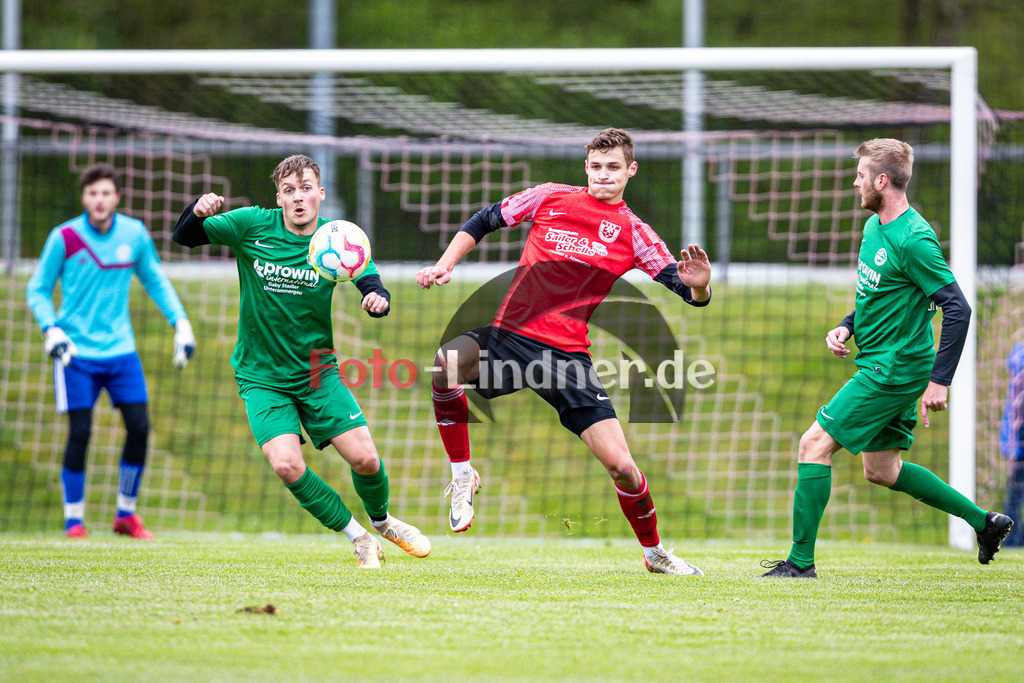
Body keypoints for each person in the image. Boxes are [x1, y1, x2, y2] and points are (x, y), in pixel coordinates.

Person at [417, 128, 711, 575]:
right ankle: (462, 475)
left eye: (613, 167)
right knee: (445, 365)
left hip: (567, 359)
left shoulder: (635, 233)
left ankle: (655, 553)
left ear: (631, 170)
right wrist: (445, 264)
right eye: (596, 166)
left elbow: (686, 290)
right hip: (510, 338)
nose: (603, 175)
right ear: (586, 167)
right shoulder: (550, 197)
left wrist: (701, 286)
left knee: (623, 468)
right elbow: (485, 219)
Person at [761, 138, 1014, 578]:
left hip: (892, 369)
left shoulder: (914, 240)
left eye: (860, 175)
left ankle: (800, 564)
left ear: (882, 180)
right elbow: (878, 296)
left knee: (813, 444)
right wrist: (848, 325)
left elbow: (958, 308)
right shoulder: (874, 227)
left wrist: (940, 381)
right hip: (884, 361)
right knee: (882, 469)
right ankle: (984, 522)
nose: (854, 182)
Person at [171, 154, 429, 568]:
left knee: (366, 459)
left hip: (316, 371)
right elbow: (184, 236)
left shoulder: (335, 238)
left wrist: (376, 298)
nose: (298, 197)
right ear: (279, 198)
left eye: (306, 188)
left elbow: (369, 279)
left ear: (320, 194)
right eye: (289, 190)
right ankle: (359, 538)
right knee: (287, 466)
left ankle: (383, 522)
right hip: (261, 376)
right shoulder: (252, 224)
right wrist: (197, 211)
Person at [26, 165, 196, 540]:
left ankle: (126, 515)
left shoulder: (134, 234)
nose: (99, 200)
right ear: (84, 198)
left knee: (139, 428)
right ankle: (74, 522)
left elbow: (155, 280)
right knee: (80, 432)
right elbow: (37, 289)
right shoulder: (64, 237)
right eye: (92, 193)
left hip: (121, 351)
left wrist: (180, 322)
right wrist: (51, 329)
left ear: (117, 197)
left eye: (105, 193)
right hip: (75, 353)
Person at [999, 342, 1024, 547]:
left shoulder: (1018, 353)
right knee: (1016, 491)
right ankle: (1012, 539)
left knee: (1015, 491)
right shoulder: (1020, 356)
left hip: (1014, 437)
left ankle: (1012, 539)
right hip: (1018, 436)